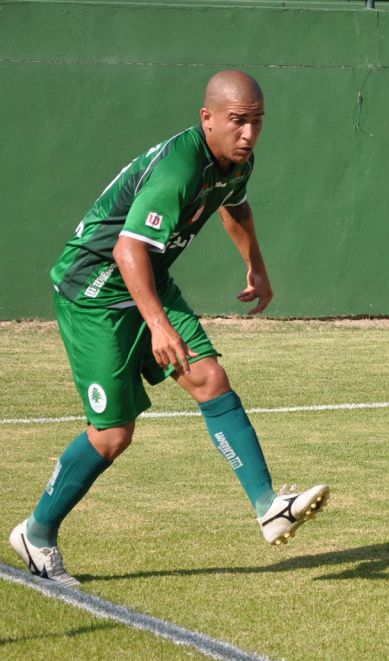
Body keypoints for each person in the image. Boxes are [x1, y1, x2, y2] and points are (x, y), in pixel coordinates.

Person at [9, 70, 329, 587]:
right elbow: (127, 248)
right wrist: (158, 326)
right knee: (113, 435)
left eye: (257, 123)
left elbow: (235, 205)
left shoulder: (235, 161)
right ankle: (37, 533)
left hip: (147, 279)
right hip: (96, 291)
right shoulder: (179, 166)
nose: (249, 134)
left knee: (210, 380)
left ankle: (269, 506)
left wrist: (258, 267)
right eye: (238, 122)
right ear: (207, 119)